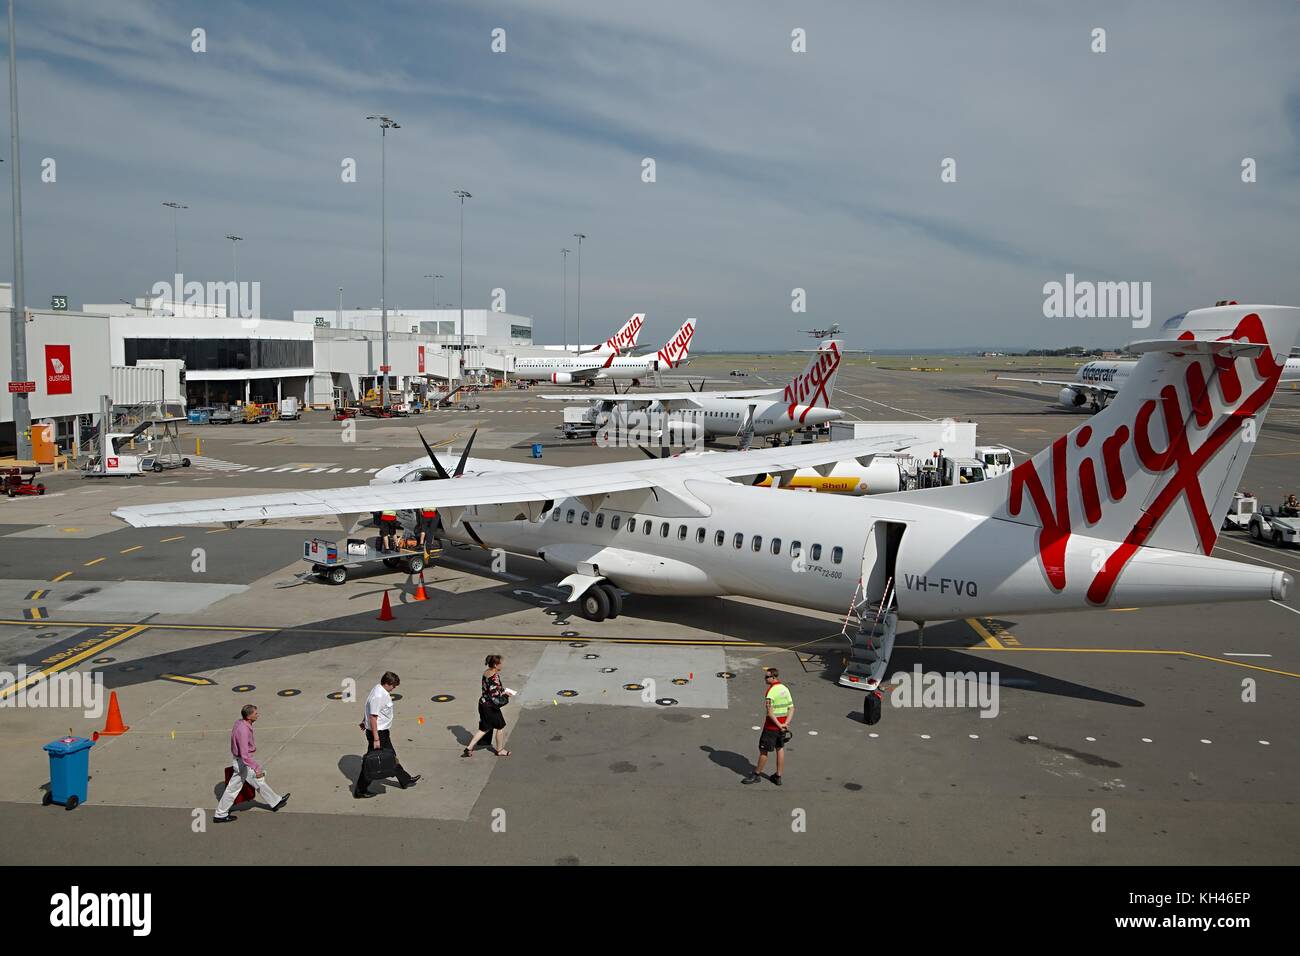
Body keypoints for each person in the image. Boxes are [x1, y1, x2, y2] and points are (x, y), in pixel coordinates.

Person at [215, 704, 289, 822]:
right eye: (255, 713)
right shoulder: (243, 731)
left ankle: (275, 801)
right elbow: (244, 755)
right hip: (242, 763)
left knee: (258, 782)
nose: (258, 715)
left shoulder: (240, 722)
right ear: (249, 716)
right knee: (232, 789)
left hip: (242, 761)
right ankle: (220, 814)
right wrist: (257, 768)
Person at [354, 671, 421, 798]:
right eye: (394, 686)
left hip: (382, 732)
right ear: (388, 683)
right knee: (371, 763)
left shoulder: (378, 689)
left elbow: (369, 708)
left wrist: (364, 720)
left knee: (391, 756)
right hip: (379, 733)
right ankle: (360, 790)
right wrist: (376, 738)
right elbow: (373, 717)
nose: (394, 688)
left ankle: (405, 779)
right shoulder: (379, 695)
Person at [744, 668, 793, 786]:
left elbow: (770, 713)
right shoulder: (785, 689)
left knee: (763, 751)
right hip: (782, 727)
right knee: (779, 749)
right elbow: (791, 708)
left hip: (771, 727)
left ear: (774, 677)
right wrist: (785, 723)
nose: (765, 679)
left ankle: (756, 775)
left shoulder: (770, 692)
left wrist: (779, 725)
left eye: (767, 677)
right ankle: (778, 776)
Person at [462, 654, 515, 757]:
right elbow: (494, 696)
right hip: (490, 707)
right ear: (495, 665)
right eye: (500, 663)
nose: (502, 665)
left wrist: (503, 690)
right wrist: (506, 695)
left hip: (482, 703)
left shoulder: (486, 673)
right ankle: (500, 750)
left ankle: (468, 748)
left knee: (484, 728)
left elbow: (490, 689)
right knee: (500, 727)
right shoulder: (494, 677)